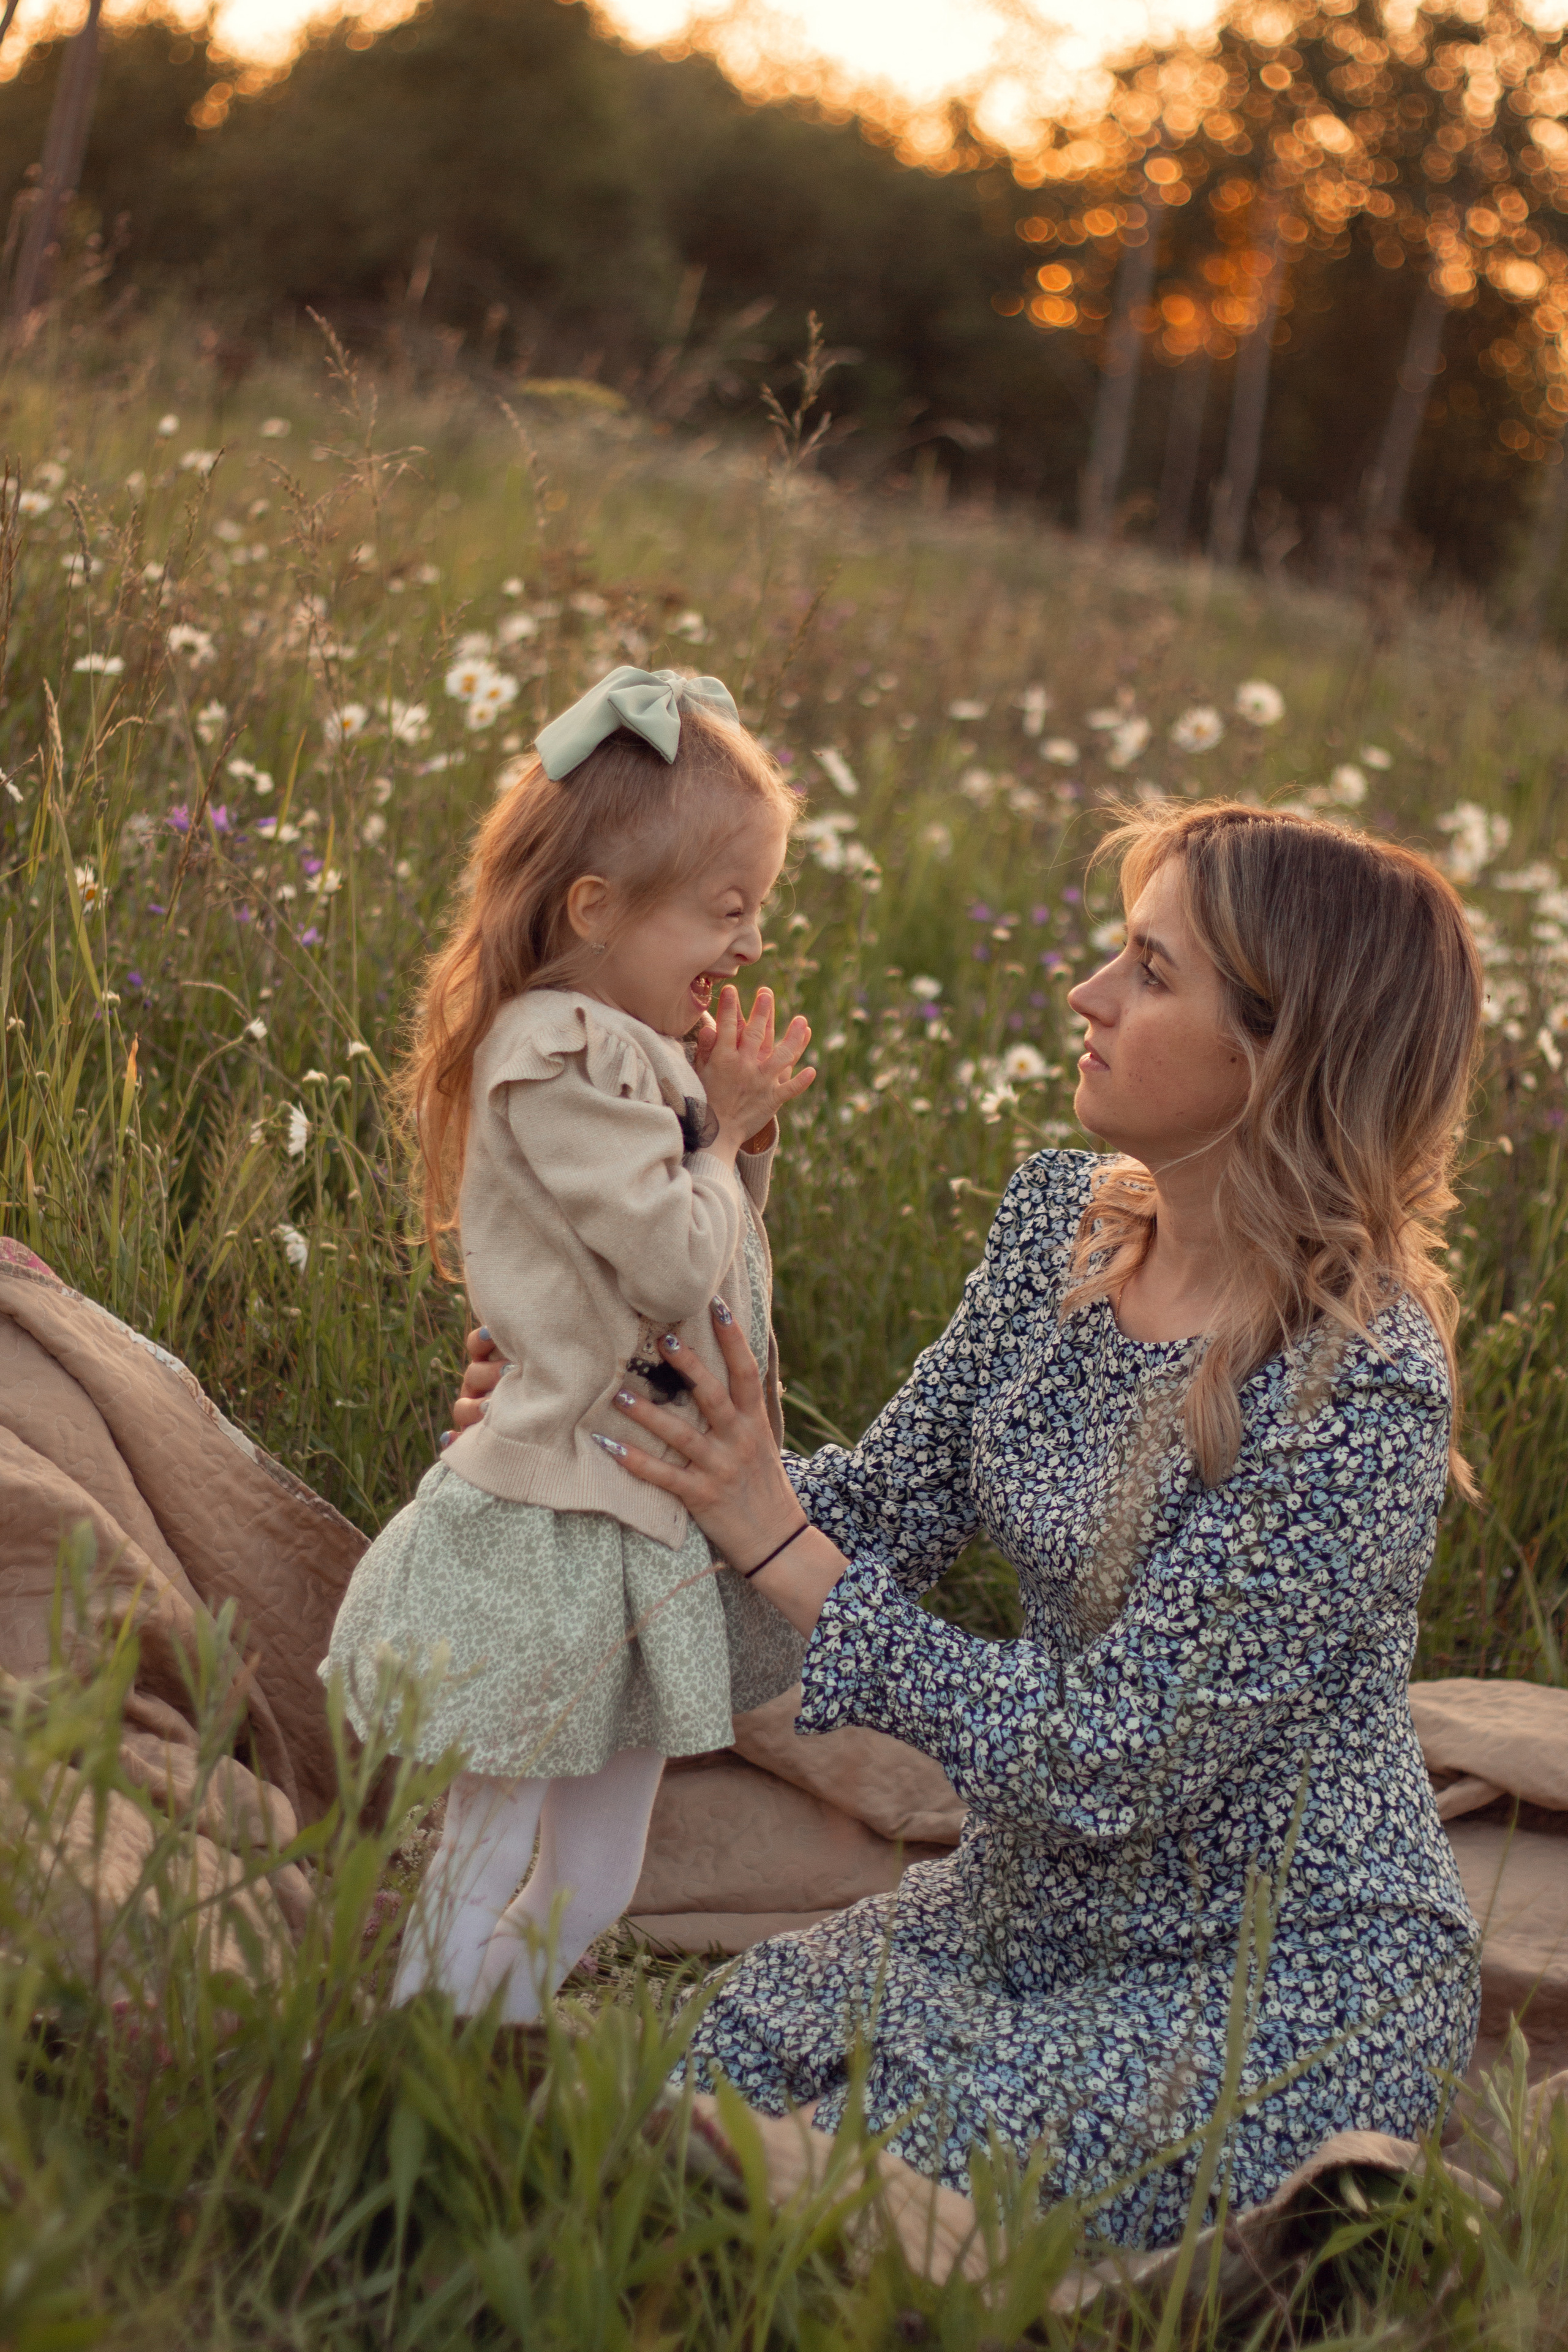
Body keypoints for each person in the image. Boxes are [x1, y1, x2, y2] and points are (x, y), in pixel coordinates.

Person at [458, 799, 1487, 2245]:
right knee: (719, 2067)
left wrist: (774, 1542)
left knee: (871, 2173)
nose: (1087, 994)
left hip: (1275, 1965)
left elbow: (1102, 1759)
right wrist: (606, 1427)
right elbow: (885, 1506)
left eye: (1149, 969)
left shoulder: (1362, 1380)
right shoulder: (1058, 1225)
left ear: (1281, 1052)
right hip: (1011, 1912)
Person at [324, 666, 814, 2024]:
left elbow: (707, 1268)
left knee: (597, 1878)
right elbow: (668, 1256)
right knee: (484, 1848)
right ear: (596, 911)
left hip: (638, 1515)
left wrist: (735, 1138)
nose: (750, 938)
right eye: (725, 911)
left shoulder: (633, 1047)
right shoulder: (554, 1053)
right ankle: (419, 2049)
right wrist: (710, 1129)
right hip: (553, 1510)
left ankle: (500, 2041)